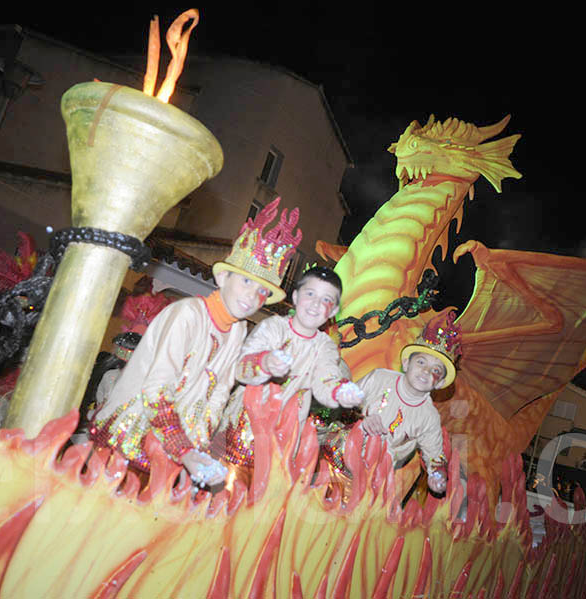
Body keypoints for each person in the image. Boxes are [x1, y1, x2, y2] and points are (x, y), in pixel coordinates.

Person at [90, 197, 302, 487]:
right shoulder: (187, 314)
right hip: (131, 443)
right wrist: (185, 451)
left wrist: (197, 445)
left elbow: (220, 393)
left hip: (174, 454)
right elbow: (157, 389)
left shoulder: (238, 330)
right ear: (224, 277)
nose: (253, 297)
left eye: (263, 292)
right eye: (247, 282)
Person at [216, 266, 363, 477]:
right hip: (241, 429)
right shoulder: (273, 327)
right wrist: (265, 363)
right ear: (295, 296)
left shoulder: (325, 347)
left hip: (282, 441)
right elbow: (241, 368)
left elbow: (327, 377)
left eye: (325, 300)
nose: (315, 304)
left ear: (332, 311)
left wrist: (339, 392)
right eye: (310, 294)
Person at [321, 310, 462, 495]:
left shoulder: (429, 418)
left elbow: (435, 456)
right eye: (421, 362)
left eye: (436, 370)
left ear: (441, 382)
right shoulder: (380, 378)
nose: (426, 371)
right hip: (333, 456)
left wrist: (437, 475)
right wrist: (361, 418)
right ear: (406, 363)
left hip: (370, 478)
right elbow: (340, 402)